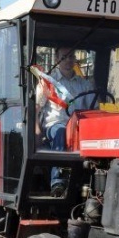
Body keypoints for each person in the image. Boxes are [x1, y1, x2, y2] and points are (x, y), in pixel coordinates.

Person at [36, 47, 94, 195]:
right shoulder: (48, 82)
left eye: (71, 56)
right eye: (64, 57)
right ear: (57, 60)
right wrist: (36, 132)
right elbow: (36, 109)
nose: (68, 60)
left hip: (79, 126)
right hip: (54, 125)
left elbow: (93, 108)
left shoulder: (84, 84)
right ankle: (58, 182)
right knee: (61, 131)